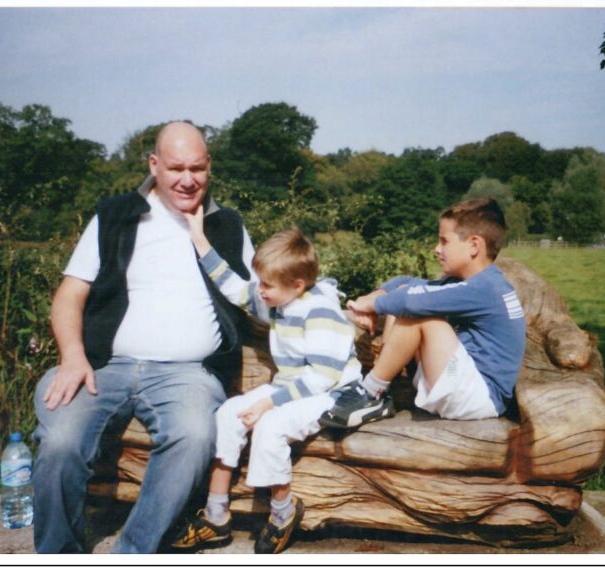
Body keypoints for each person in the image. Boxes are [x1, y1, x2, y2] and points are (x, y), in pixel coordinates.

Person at [32, 122, 256, 553]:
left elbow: (261, 293)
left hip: (188, 374)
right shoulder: (115, 215)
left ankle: (133, 554)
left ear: (209, 167)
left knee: (193, 436)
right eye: (175, 168)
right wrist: (73, 355)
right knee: (59, 442)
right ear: (154, 165)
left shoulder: (226, 225)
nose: (187, 180)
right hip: (103, 366)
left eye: (197, 168)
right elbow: (69, 296)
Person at [169, 227, 362, 554]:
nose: (260, 291)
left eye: (267, 285)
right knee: (229, 413)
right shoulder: (279, 299)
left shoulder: (321, 312)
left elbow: (321, 378)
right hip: (292, 388)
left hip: (332, 392)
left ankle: (283, 512)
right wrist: (201, 239)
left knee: (270, 427)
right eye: (260, 282)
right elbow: (234, 287)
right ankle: (216, 515)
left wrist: (268, 404)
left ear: (298, 285)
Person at [319, 197, 526, 428]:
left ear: (474, 246)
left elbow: (410, 301)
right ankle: (385, 384)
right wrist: (371, 298)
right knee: (411, 299)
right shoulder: (472, 283)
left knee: (418, 313)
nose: (436, 249)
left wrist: (374, 307)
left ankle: (370, 392)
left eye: (444, 241)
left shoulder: (485, 288)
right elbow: (406, 283)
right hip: (469, 386)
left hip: (481, 395)